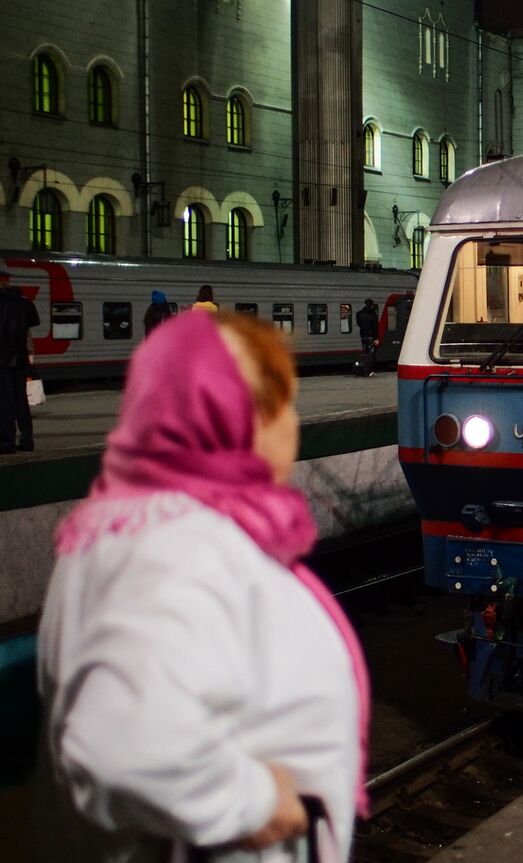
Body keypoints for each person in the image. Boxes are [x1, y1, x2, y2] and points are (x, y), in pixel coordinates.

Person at [35, 311, 368, 861]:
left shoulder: (130, 523)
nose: (292, 423)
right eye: (282, 403)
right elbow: (117, 745)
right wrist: (257, 804)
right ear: (234, 415)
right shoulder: (176, 546)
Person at [0, 268, 40, 454]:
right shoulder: (24, 304)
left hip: (2, 360)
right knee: (21, 401)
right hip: (20, 358)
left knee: (5, 402)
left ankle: (7, 442)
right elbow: (31, 326)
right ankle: (27, 441)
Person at [356, 298, 380, 374]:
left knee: (365, 353)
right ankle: (369, 370)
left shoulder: (359, 314)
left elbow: (359, 324)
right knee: (371, 355)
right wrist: (376, 338)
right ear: (372, 306)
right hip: (371, 337)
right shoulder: (373, 315)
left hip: (363, 336)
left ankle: (364, 369)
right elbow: (375, 327)